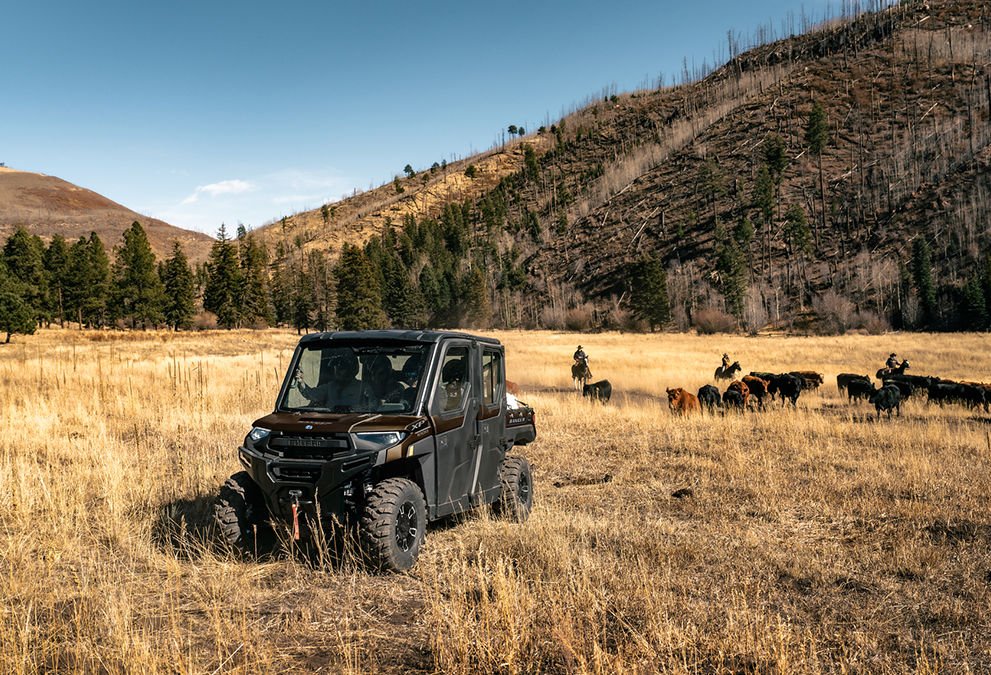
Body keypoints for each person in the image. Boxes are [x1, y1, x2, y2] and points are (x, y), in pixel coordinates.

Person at [295, 350, 362, 410]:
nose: (337, 370)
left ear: (351, 368)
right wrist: (300, 381)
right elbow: (311, 394)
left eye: (342, 367)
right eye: (335, 366)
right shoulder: (330, 387)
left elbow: (370, 408)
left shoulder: (362, 388)